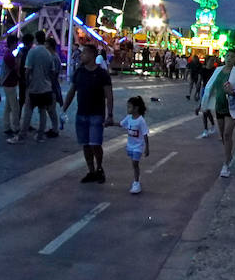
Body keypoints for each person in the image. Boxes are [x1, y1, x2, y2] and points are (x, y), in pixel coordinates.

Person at [64, 43, 114, 183]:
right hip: (81, 113)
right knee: (85, 144)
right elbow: (72, 91)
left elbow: (109, 95)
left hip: (96, 114)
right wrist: (64, 108)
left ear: (92, 55)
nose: (81, 55)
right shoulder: (79, 72)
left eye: (84, 53)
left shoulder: (102, 74)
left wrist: (110, 114)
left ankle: (99, 168)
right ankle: (91, 171)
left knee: (95, 144)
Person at [199, 49, 235, 178]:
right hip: (219, 106)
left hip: (232, 107)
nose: (229, 58)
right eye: (227, 56)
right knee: (223, 135)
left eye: (232, 56)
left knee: (227, 134)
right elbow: (209, 88)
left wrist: (233, 92)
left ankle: (225, 164)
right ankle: (229, 155)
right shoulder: (218, 70)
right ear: (224, 57)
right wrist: (202, 104)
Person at [13, 30, 58, 143]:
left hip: (33, 86)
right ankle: (40, 135)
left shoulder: (32, 52)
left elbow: (28, 70)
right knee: (42, 111)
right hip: (46, 87)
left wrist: (27, 82)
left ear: (36, 39)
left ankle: (22, 135)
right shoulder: (48, 54)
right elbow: (52, 71)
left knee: (28, 111)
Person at [121, 95, 150, 194]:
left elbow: (145, 134)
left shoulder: (141, 120)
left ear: (136, 108)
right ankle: (137, 178)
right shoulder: (129, 118)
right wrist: (110, 123)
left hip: (138, 146)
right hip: (130, 145)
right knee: (134, 164)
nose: (127, 109)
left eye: (129, 107)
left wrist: (147, 148)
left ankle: (136, 183)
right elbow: (121, 124)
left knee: (135, 163)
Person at [0, 34, 21, 138]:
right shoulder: (9, 56)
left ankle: (6, 126)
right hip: (10, 83)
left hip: (7, 82)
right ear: (13, 43)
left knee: (8, 106)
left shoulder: (8, 54)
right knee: (14, 106)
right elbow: (15, 68)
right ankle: (15, 127)